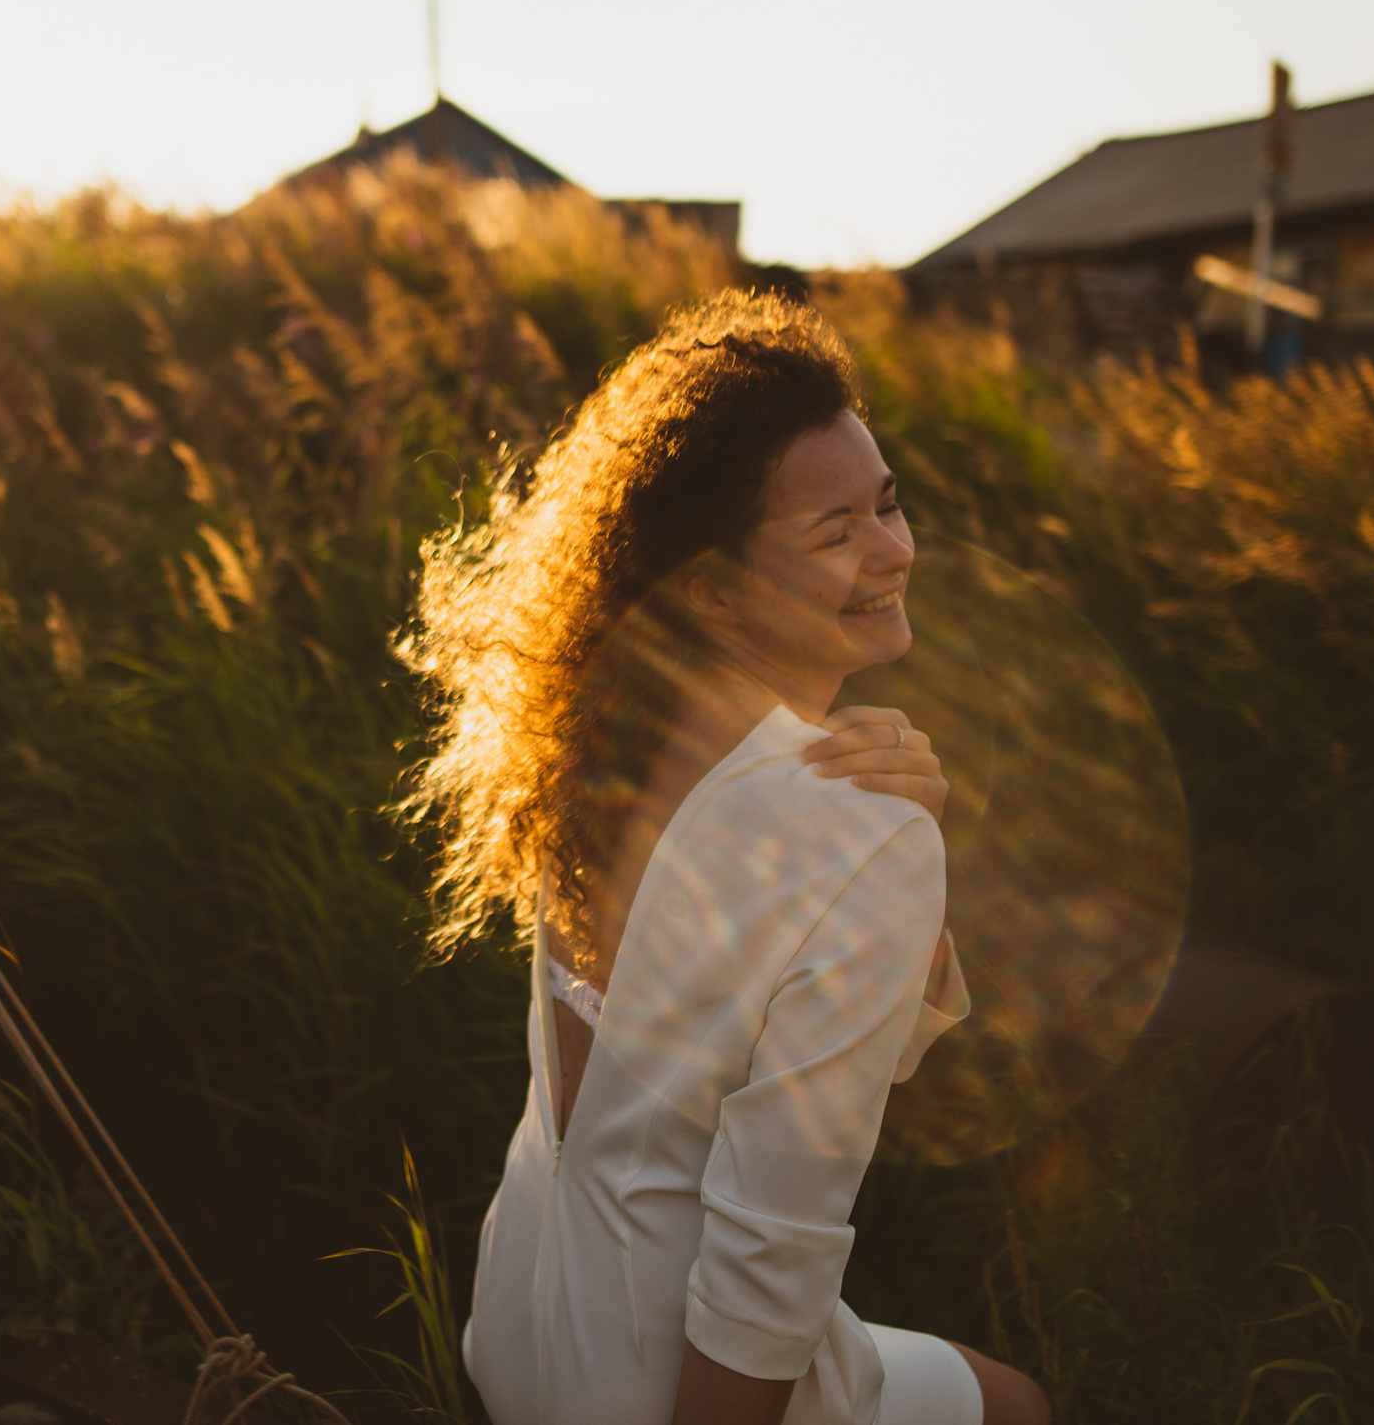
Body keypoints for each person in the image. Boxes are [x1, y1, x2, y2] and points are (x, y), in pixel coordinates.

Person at [401, 290, 1050, 1425]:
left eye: (888, 505)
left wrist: (899, 891)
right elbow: (772, 1255)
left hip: (519, 1318)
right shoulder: (865, 833)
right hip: (669, 1381)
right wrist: (898, 857)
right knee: (1020, 1401)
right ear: (707, 587)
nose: (892, 550)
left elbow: (728, 1023)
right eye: (832, 532)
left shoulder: (585, 748)